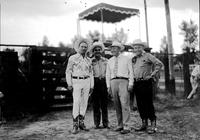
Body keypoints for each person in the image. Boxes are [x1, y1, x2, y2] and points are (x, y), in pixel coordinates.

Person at [132, 39, 163, 134]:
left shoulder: (148, 56)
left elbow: (159, 64)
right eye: (135, 47)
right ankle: (144, 123)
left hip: (146, 83)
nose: (137, 49)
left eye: (139, 47)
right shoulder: (134, 58)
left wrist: (152, 74)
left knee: (148, 103)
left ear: (142, 48)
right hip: (137, 83)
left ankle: (153, 124)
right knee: (140, 105)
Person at [65, 38, 94, 134]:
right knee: (76, 101)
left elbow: (91, 73)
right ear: (78, 47)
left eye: (85, 47)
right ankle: (75, 125)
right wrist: (69, 84)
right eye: (82, 47)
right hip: (76, 81)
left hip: (87, 81)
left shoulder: (88, 60)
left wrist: (91, 85)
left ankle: (81, 122)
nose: (84, 48)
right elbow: (68, 71)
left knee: (84, 102)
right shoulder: (72, 58)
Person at [106, 41, 133, 134]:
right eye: (111, 48)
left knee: (124, 104)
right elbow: (107, 74)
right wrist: (108, 86)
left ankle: (127, 126)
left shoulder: (127, 59)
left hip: (124, 81)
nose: (113, 49)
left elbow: (131, 72)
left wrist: (131, 83)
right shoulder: (110, 60)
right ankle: (120, 125)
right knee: (116, 104)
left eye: (115, 48)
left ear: (119, 49)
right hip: (113, 82)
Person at [90, 41, 109, 129]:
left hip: (103, 82)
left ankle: (105, 123)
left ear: (101, 51)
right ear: (93, 51)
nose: (97, 51)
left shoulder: (106, 61)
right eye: (95, 50)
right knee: (96, 104)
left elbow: (109, 72)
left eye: (99, 49)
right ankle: (97, 123)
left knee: (104, 104)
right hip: (95, 82)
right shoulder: (90, 61)